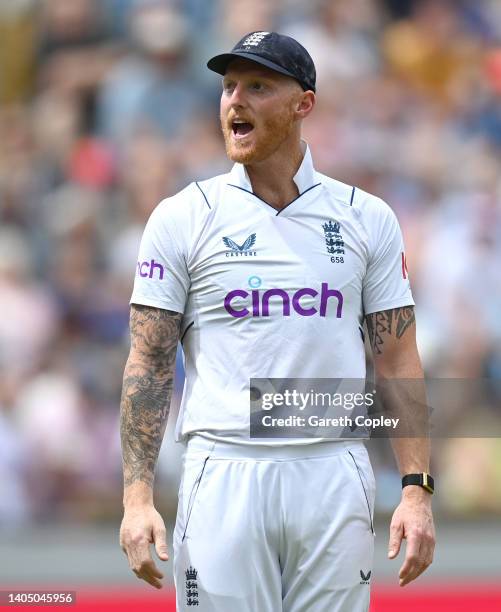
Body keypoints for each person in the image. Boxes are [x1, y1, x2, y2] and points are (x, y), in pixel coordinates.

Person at [119, 31, 435, 611]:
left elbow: (398, 357)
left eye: (258, 86)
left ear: (303, 104)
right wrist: (137, 497)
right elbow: (149, 360)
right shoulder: (183, 217)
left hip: (334, 467)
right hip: (224, 467)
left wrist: (416, 489)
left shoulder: (367, 218)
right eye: (228, 86)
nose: (235, 100)